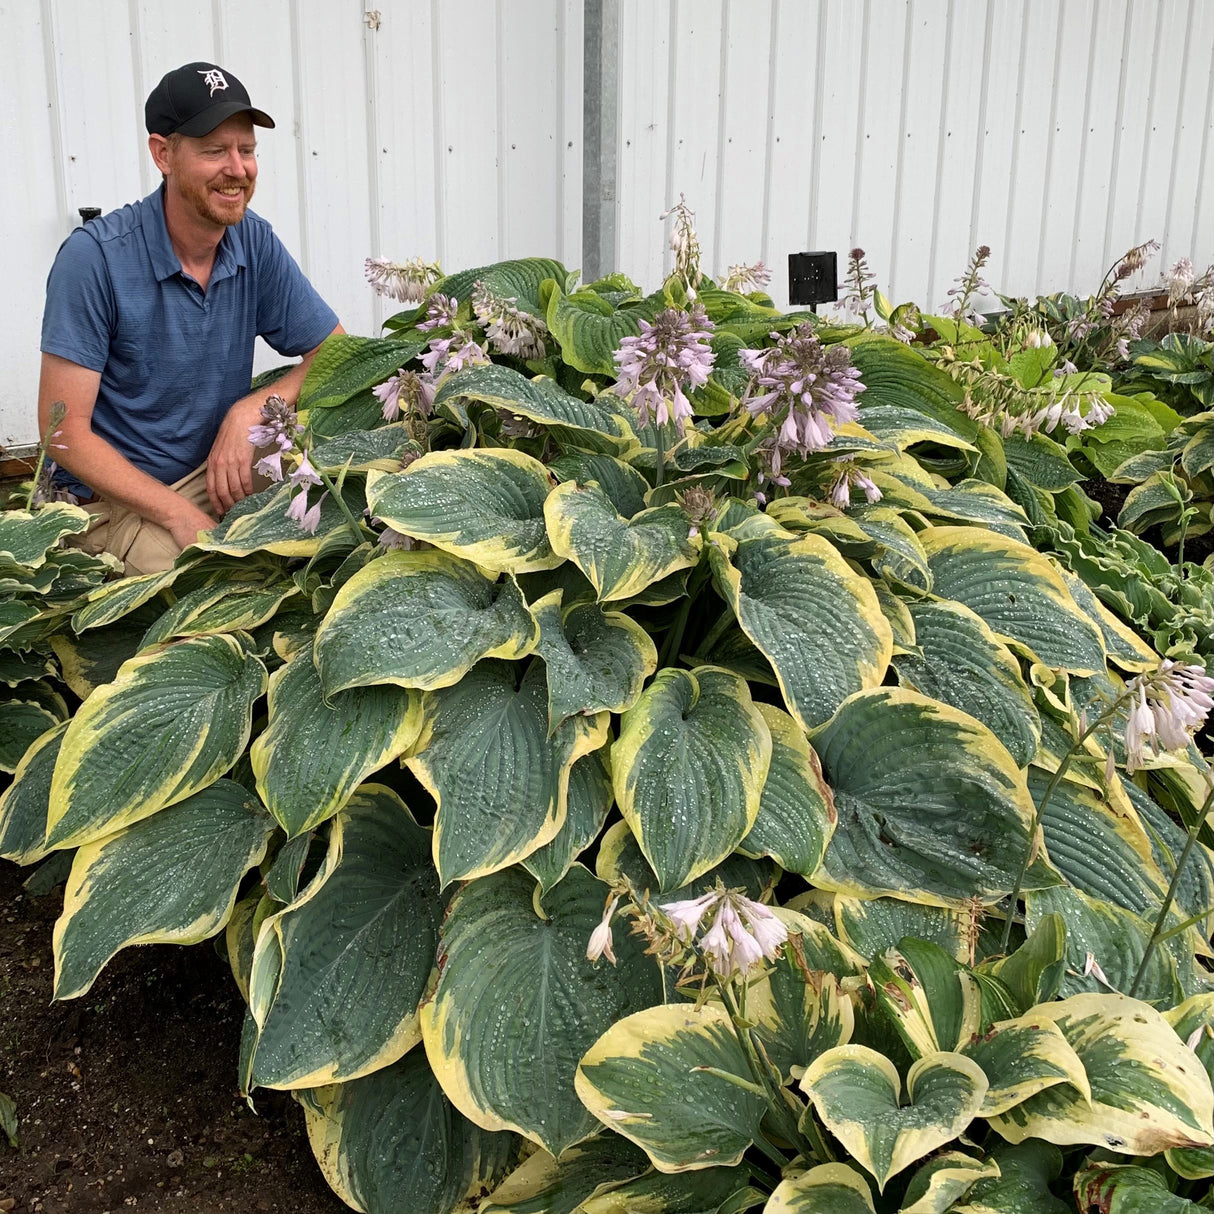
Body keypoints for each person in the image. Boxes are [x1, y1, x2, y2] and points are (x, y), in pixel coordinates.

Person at [36, 61, 342, 575]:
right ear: (163, 154)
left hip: (212, 471)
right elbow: (61, 432)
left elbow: (336, 352)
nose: (238, 169)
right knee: (210, 595)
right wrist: (178, 514)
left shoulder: (253, 240)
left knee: (338, 504)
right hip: (112, 499)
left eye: (246, 150)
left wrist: (250, 410)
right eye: (214, 150)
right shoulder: (95, 259)